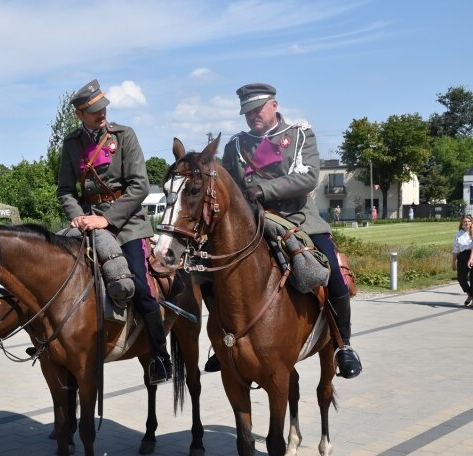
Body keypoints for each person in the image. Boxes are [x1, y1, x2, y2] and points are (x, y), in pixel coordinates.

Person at [203, 83, 362, 378]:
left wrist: (262, 190)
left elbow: (308, 178)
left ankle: (344, 345)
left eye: (257, 110)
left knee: (333, 275)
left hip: (299, 219)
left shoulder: (300, 135)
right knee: (211, 275)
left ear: (274, 105)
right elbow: (231, 189)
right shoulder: (236, 145)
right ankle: (224, 341)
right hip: (255, 222)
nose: (252, 117)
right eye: (246, 112)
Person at [56, 79, 172, 385]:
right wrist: (78, 217)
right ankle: (56, 346)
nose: (101, 114)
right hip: (86, 222)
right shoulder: (71, 144)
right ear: (80, 114)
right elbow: (65, 191)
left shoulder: (124, 136)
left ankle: (160, 356)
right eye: (93, 111)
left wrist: (106, 220)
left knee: (142, 288)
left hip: (128, 223)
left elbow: (140, 186)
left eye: (103, 107)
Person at [452, 214, 473, 306]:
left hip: (472, 255)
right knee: (461, 278)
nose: (467, 223)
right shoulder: (458, 234)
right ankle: (470, 295)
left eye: (469, 221)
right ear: (462, 222)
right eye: (465, 221)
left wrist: (471, 259)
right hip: (463, 256)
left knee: (472, 279)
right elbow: (456, 249)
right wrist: (453, 262)